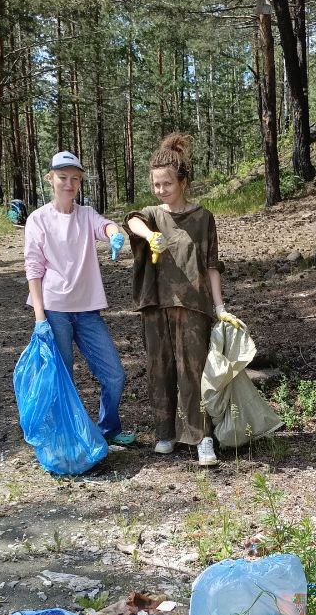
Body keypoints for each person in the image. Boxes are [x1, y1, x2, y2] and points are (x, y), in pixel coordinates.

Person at [125, 133, 240, 467]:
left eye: (167, 184)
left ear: (183, 181)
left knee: (194, 372)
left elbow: (211, 265)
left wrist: (220, 309)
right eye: (156, 184)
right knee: (159, 369)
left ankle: (202, 437)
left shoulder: (203, 218)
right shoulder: (151, 215)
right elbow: (132, 220)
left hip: (193, 306)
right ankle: (165, 433)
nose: (161, 190)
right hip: (155, 304)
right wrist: (149, 236)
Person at [23, 150, 135, 446]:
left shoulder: (86, 215)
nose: (69, 184)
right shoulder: (38, 219)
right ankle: (67, 441)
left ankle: (108, 428)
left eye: (75, 179)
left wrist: (114, 234)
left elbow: (105, 225)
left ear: (80, 182)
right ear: (50, 179)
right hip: (54, 310)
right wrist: (39, 318)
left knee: (114, 375)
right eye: (63, 178)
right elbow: (33, 268)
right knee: (63, 379)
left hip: (87, 311)